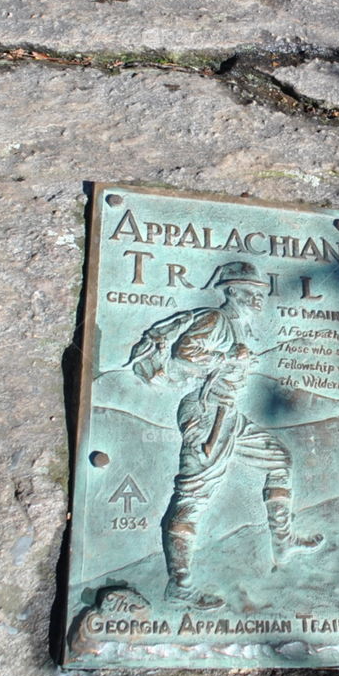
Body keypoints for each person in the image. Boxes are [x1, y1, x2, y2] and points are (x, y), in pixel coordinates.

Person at [131, 261, 322, 610]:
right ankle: (180, 585)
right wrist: (227, 355)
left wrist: (236, 359)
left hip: (229, 414)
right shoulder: (216, 321)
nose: (259, 299)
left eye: (261, 293)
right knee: (193, 497)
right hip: (207, 416)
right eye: (252, 292)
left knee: (279, 460)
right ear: (232, 291)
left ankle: (283, 541)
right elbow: (184, 353)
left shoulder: (241, 326)